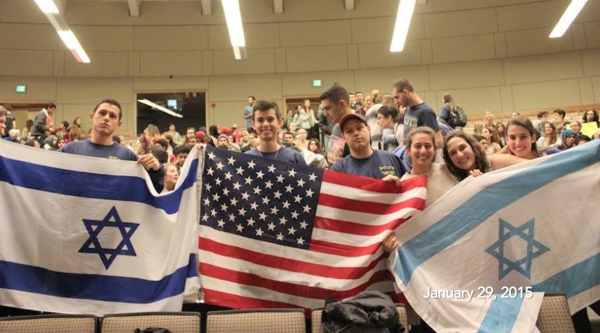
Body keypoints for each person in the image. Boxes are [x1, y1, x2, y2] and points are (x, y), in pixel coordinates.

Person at [58, 99, 164, 192]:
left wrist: (157, 169)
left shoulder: (127, 156)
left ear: (119, 124)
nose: (106, 118)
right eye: (102, 113)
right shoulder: (70, 150)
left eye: (112, 116)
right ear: (92, 117)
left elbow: (153, 190)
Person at [331, 113, 407, 179]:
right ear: (343, 137)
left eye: (359, 128)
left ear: (368, 129)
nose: (356, 133)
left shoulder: (391, 159)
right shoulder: (338, 170)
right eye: (349, 131)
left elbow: (410, 185)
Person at [443, 131, 526, 181]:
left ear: (472, 147)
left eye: (462, 148)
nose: (460, 155)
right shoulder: (455, 181)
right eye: (453, 153)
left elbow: (531, 166)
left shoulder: (494, 161)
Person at [245, 100, 306, 165]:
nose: (265, 124)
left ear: (280, 123)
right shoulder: (245, 159)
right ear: (253, 125)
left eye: (270, 119)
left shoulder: (295, 158)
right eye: (260, 120)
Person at [391, 78, 443, 149]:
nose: (396, 101)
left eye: (397, 97)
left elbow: (439, 141)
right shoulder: (407, 110)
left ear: (405, 92)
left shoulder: (426, 112)